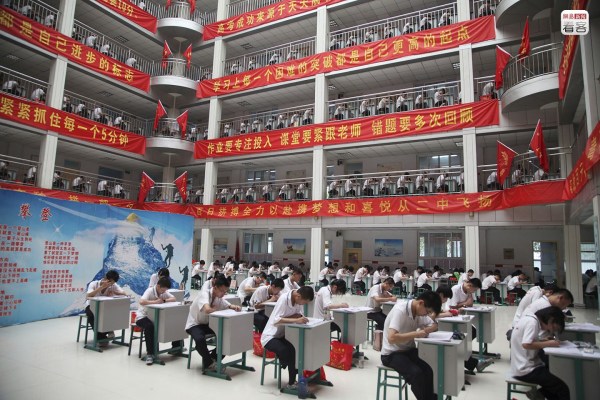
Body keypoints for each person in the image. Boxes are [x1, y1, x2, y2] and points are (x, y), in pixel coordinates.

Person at [381, 291, 441, 400]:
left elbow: (434, 325)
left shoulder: (418, 311)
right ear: (421, 303)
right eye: (427, 311)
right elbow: (391, 338)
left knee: (428, 370)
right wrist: (416, 334)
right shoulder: (400, 310)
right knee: (416, 374)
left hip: (408, 351)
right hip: (391, 354)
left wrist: (425, 330)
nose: (426, 315)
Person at [261, 286, 315, 391]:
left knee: (294, 350)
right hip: (270, 336)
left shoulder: (298, 300)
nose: (303, 305)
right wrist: (295, 319)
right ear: (298, 296)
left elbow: (298, 315)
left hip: (282, 335)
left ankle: (292, 381)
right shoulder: (284, 299)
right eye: (304, 302)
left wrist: (299, 318)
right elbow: (276, 320)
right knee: (286, 351)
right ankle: (288, 370)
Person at [510, 306, 569, 400]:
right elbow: (526, 344)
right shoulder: (532, 323)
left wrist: (542, 340)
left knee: (556, 378)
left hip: (520, 365)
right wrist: (548, 343)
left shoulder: (530, 319)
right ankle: (539, 393)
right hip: (526, 370)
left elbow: (527, 341)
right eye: (553, 327)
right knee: (562, 388)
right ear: (550, 319)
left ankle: (539, 394)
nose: (550, 331)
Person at [185, 276, 242, 371]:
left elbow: (227, 304)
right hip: (194, 324)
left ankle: (213, 359)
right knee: (199, 339)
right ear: (215, 287)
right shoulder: (204, 293)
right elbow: (207, 310)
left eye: (225, 291)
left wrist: (235, 307)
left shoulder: (218, 297)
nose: (223, 294)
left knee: (226, 335)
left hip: (206, 324)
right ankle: (209, 363)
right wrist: (214, 309)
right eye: (222, 291)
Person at [136, 276, 182, 364]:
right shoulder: (149, 291)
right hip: (143, 316)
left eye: (165, 290)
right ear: (158, 286)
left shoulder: (163, 291)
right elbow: (141, 301)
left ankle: (176, 348)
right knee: (149, 326)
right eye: (163, 290)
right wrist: (154, 302)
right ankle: (150, 354)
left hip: (154, 317)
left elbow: (174, 298)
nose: (164, 292)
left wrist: (164, 300)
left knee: (172, 322)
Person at [85, 270, 126, 344]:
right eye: (109, 282)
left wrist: (114, 292)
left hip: (105, 307)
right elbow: (88, 296)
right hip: (91, 305)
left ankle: (107, 331)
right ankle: (101, 338)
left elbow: (124, 293)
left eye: (112, 283)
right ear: (105, 278)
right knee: (92, 315)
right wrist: (101, 287)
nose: (110, 284)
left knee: (112, 313)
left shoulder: (113, 285)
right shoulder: (94, 284)